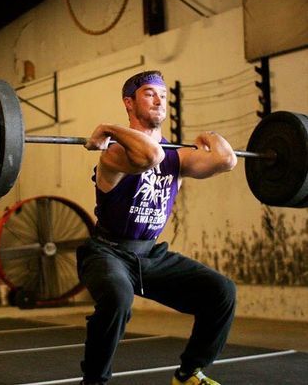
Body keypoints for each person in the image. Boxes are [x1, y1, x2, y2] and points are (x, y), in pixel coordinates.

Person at [79, 71, 238, 385]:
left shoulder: (178, 158)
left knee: (221, 291)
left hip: (150, 255)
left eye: (163, 96)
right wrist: (110, 129)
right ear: (129, 102)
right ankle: (94, 381)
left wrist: (208, 136)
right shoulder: (114, 152)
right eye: (150, 93)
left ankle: (189, 373)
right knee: (117, 296)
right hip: (106, 252)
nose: (159, 100)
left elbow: (227, 160)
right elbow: (149, 156)